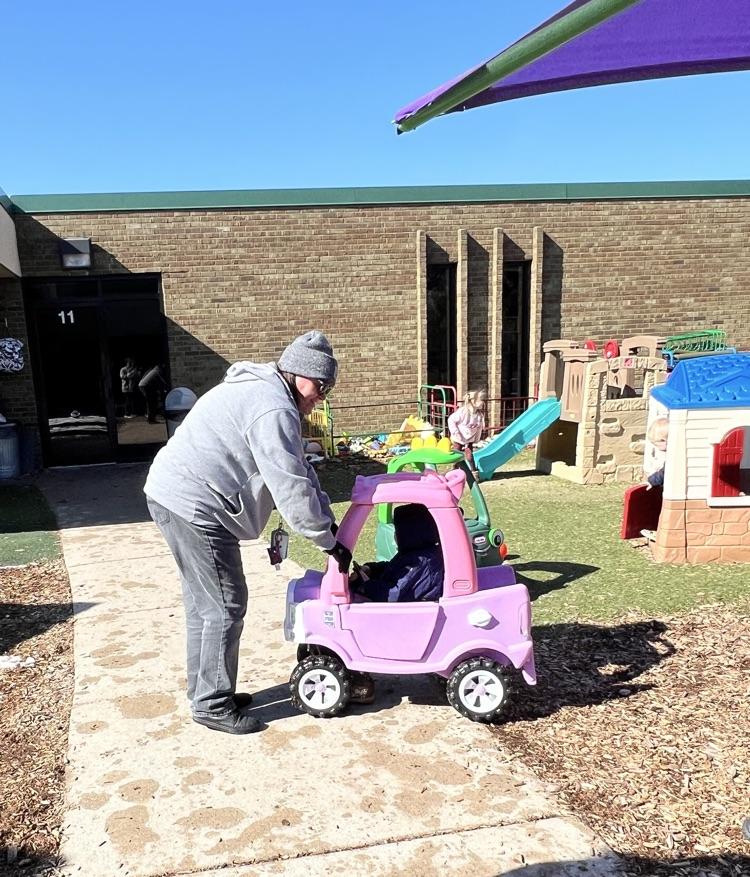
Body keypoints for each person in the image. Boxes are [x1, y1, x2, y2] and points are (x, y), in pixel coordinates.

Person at [143, 331, 352, 735]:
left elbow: (302, 472)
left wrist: (330, 526)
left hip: (176, 495)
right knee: (225, 603)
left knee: (204, 606)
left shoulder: (271, 395)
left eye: (328, 388)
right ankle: (211, 704)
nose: (321, 396)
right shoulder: (272, 408)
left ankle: (207, 691)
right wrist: (328, 542)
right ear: (297, 374)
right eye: (319, 386)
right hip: (192, 502)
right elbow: (289, 487)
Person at [350, 503, 444, 603]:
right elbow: (393, 569)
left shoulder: (422, 563)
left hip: (412, 615)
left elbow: (392, 594)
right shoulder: (415, 552)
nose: (395, 535)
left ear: (410, 533)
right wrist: (370, 569)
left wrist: (365, 585)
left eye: (398, 532)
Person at [448, 389, 486, 475]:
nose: (483, 402)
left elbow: (478, 428)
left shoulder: (479, 416)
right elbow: (451, 420)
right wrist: (455, 431)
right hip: (458, 438)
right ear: (473, 401)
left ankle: (474, 472)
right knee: (456, 456)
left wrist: (476, 439)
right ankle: (455, 471)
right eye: (480, 400)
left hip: (468, 440)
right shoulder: (463, 412)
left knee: (470, 456)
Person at [644, 416, 669, 489]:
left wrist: (652, 481)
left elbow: (665, 472)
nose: (656, 447)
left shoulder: (673, 455)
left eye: (656, 444)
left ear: (663, 440)